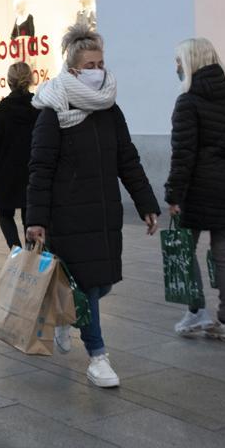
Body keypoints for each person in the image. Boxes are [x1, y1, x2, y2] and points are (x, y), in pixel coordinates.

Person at [26, 24, 160, 387]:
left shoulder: (109, 111)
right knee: (87, 284)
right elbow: (40, 168)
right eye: (90, 65)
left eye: (100, 63)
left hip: (103, 213)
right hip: (66, 214)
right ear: (72, 70)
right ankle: (98, 356)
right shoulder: (52, 112)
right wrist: (36, 219)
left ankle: (66, 317)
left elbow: (127, 160)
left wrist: (147, 203)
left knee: (99, 285)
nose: (98, 70)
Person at [165, 38, 225, 343]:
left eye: (178, 61)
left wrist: (174, 195)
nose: (175, 67)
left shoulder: (188, 101)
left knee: (184, 251)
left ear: (190, 63)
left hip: (198, 189)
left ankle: (196, 311)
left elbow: (183, 154)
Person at [0, 62, 39, 249]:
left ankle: (16, 253)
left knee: (4, 214)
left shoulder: (2, 111)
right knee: (30, 217)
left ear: (9, 82)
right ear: (30, 80)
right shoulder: (39, 108)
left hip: (7, 173)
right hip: (33, 172)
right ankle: (32, 255)